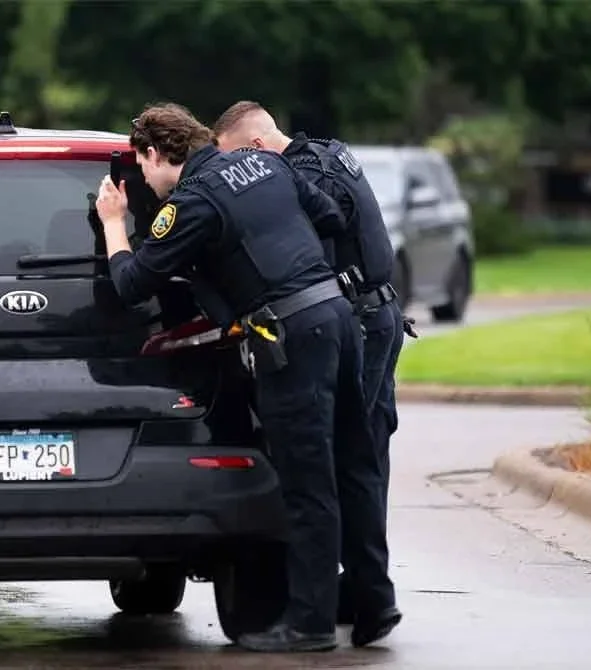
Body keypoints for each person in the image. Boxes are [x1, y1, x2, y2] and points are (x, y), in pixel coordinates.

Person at [95, 101, 363, 653]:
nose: (143, 179)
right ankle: (372, 598)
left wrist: (114, 224)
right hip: (336, 319)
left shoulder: (190, 204)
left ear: (152, 153)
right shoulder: (264, 164)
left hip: (290, 335)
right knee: (349, 466)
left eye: (141, 167)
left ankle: (310, 626)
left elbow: (130, 283)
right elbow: (332, 218)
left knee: (307, 486)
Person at [212, 100, 404, 646]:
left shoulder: (299, 176)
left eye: (233, 161)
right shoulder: (330, 153)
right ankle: (368, 597)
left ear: (253, 149)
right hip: (379, 314)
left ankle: (343, 603)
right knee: (363, 459)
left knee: (338, 465)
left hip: (354, 322)